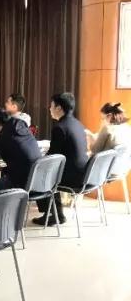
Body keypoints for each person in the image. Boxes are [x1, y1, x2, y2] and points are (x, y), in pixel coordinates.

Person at [35, 92, 87, 226]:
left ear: (58, 108)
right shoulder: (77, 123)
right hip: (83, 173)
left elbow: (53, 156)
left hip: (73, 177)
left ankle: (54, 214)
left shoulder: (60, 127)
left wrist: (38, 160)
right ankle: (56, 213)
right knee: (46, 172)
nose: (49, 109)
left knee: (40, 174)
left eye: (51, 106)